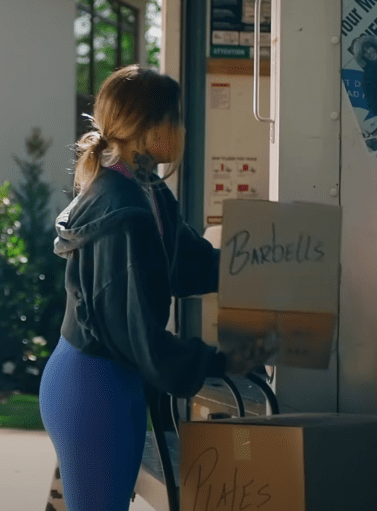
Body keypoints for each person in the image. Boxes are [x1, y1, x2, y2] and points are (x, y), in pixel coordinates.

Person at [41, 65, 278, 511]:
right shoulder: (122, 210)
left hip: (109, 379)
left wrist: (276, 269)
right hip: (95, 385)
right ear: (149, 131)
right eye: (178, 118)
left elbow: (187, 263)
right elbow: (139, 338)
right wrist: (223, 361)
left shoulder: (145, 188)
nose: (184, 129)